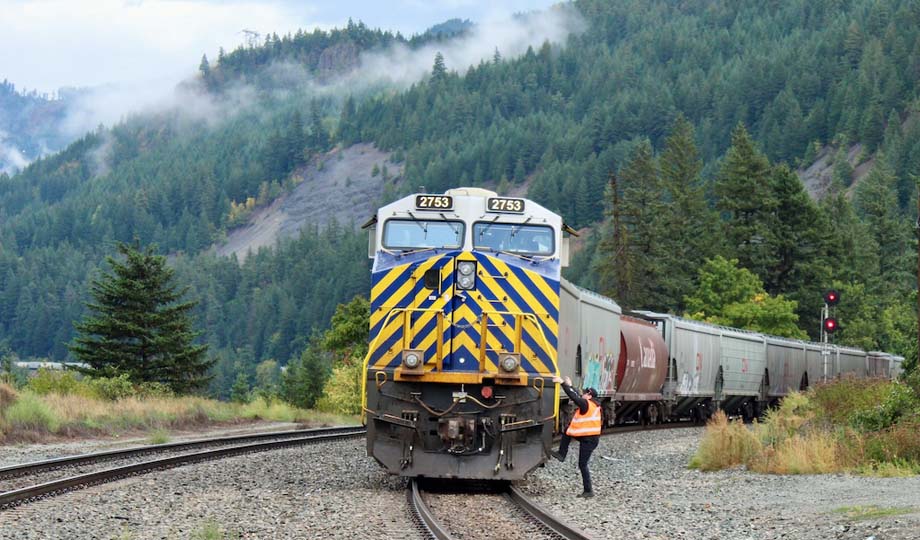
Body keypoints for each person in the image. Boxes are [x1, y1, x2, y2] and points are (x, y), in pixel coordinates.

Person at [551, 375, 601, 498]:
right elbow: (577, 396)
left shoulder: (586, 404)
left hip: (589, 439)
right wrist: (569, 385)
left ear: (589, 396)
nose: (583, 394)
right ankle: (562, 454)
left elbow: (574, 397)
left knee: (582, 464)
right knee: (567, 431)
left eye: (585, 393)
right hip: (587, 436)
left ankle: (588, 491)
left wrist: (563, 383)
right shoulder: (591, 404)